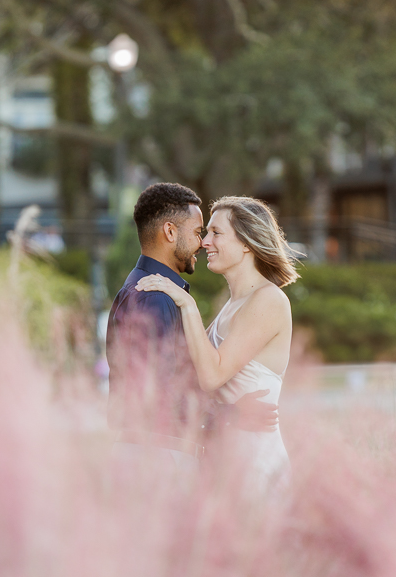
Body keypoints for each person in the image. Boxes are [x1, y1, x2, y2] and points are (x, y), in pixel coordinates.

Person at [106, 183, 278, 478]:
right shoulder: (155, 297)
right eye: (199, 232)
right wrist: (234, 415)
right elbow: (160, 393)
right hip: (157, 458)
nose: (202, 243)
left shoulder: (147, 289)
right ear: (170, 232)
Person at [135, 195, 297, 492]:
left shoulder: (269, 300)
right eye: (205, 233)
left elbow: (212, 376)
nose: (204, 242)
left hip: (253, 464)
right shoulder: (233, 304)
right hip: (219, 460)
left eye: (216, 233)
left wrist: (186, 303)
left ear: (247, 243)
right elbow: (192, 375)